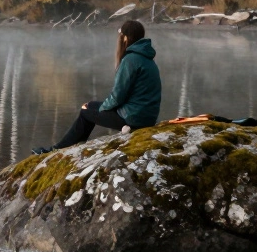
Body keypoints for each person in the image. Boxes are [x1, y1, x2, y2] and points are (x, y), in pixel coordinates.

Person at [33, 20, 161, 154]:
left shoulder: (130, 60)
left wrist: (101, 108)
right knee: (90, 106)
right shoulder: (146, 58)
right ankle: (71, 146)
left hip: (134, 118)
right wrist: (97, 107)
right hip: (146, 116)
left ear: (125, 38)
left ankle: (57, 150)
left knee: (86, 112)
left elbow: (118, 96)